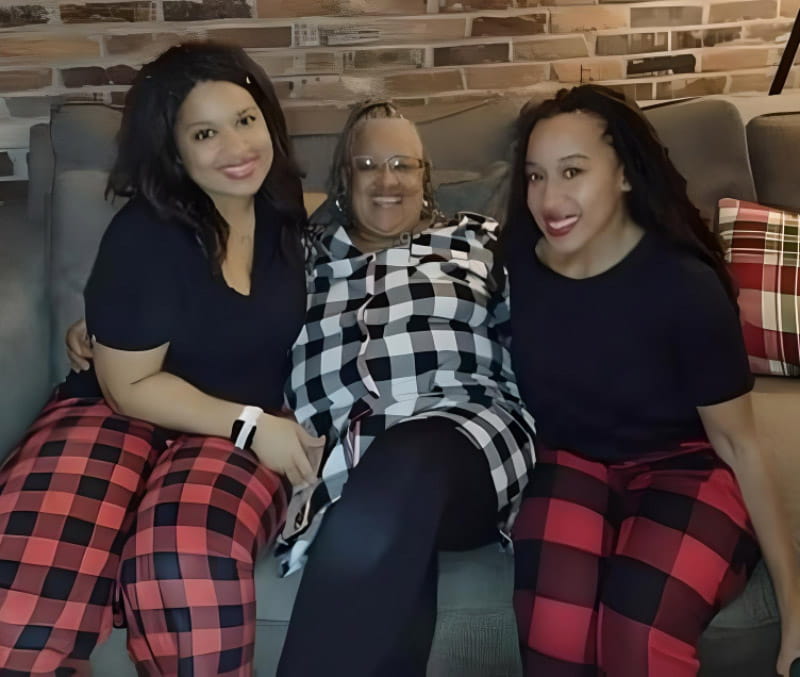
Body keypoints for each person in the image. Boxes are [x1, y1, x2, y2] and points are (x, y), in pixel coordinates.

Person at [64, 98, 538, 675]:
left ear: (426, 177)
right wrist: (112, 323)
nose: (387, 181)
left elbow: (553, 321)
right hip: (345, 469)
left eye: (404, 165)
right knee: (378, 520)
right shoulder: (295, 251)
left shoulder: (480, 242)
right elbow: (207, 305)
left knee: (400, 473)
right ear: (343, 180)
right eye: (367, 166)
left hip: (464, 442)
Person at [0, 42, 323, 675]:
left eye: (246, 120)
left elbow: (370, 219)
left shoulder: (286, 208)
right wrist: (256, 426)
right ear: (174, 152)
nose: (237, 147)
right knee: (30, 575)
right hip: (123, 407)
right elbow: (129, 387)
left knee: (181, 564)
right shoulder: (146, 235)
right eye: (206, 133)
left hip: (233, 421)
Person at [503, 84, 800, 676]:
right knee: (554, 638)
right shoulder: (518, 259)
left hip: (684, 465)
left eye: (573, 172)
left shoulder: (682, 287)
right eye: (536, 176)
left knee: (635, 636)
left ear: (624, 176)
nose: (550, 199)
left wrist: (796, 613)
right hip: (571, 461)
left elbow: (740, 443)